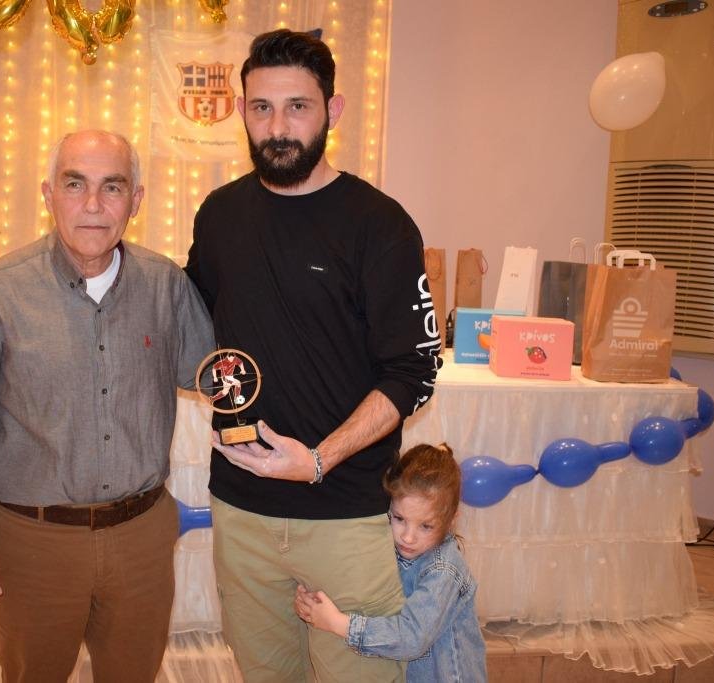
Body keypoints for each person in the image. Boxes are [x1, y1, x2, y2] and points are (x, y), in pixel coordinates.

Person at [185, 29, 443, 681]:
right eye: (262, 107)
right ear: (241, 111)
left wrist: (320, 458)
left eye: (297, 106)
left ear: (333, 109)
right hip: (241, 511)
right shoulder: (219, 215)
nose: (278, 127)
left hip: (346, 514)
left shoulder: (379, 224)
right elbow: (194, 328)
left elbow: (414, 371)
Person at [0, 130, 215, 683]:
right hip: (31, 545)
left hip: (141, 539)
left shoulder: (166, 287)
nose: (94, 205)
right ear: (48, 194)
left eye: (113, 187)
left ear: (136, 200)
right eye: (75, 184)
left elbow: (218, 375)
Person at [294, 444, 488, 682]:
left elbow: (412, 638)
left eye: (426, 526)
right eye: (399, 518)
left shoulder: (444, 570)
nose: (408, 537)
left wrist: (338, 623)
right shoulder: (389, 546)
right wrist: (314, 604)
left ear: (451, 520)